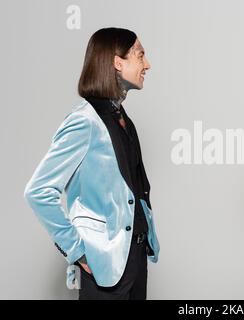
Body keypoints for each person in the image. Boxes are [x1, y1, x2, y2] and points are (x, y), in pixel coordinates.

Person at [24, 27, 160, 300]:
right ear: (117, 63)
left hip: (135, 259)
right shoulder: (84, 120)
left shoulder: (122, 117)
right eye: (140, 55)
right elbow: (38, 191)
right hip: (104, 266)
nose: (147, 64)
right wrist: (77, 251)